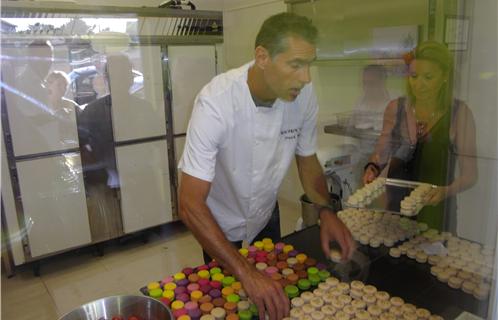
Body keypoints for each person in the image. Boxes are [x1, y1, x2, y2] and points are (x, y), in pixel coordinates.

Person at [178, 13, 354, 320]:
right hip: (219, 218)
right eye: (296, 64)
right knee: (229, 303)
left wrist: (326, 210)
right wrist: (245, 272)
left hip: (264, 210)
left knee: (275, 295)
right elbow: (190, 203)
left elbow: (307, 157)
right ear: (262, 56)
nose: (306, 78)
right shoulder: (216, 102)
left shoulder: (304, 96)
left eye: (309, 64)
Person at [363, 41, 477, 232]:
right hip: (396, 207)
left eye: (428, 77)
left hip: (436, 210)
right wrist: (372, 168)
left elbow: (470, 175)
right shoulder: (395, 108)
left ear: (444, 77)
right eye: (414, 76)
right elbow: (381, 153)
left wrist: (445, 191)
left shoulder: (459, 114)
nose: (419, 84)